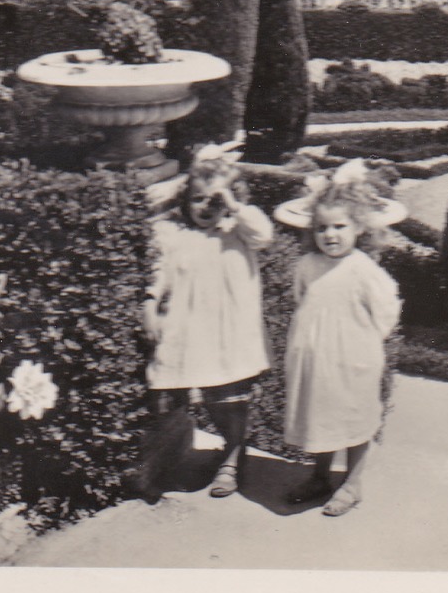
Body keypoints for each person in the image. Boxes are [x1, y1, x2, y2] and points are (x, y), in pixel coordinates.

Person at [142, 141, 274, 501]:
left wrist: (231, 203)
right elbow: (159, 274)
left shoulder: (239, 233)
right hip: (190, 330)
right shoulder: (174, 235)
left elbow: (265, 234)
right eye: (198, 198)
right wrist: (150, 304)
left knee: (230, 399)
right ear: (186, 200)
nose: (206, 207)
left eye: (214, 200)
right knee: (190, 396)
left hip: (229, 332)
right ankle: (157, 461)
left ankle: (232, 456)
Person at [276, 163, 404, 517]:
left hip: (353, 358)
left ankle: (352, 483)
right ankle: (320, 476)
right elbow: (303, 300)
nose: (330, 235)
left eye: (339, 226)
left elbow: (386, 309)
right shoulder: (307, 265)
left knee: (352, 418)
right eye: (322, 228)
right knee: (322, 417)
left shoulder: (363, 268)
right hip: (315, 358)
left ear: (359, 227)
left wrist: (360, 343)